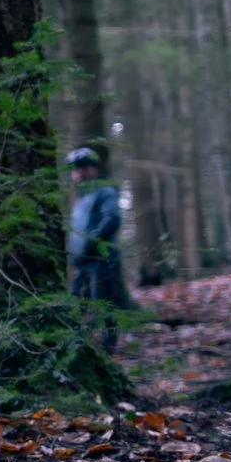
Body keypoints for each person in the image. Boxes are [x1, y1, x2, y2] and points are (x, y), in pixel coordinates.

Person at [67, 144, 135, 350]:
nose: (80, 171)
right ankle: (78, 343)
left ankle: (108, 347)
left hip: (102, 260)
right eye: (76, 167)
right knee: (74, 302)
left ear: (94, 169)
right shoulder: (80, 199)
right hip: (83, 262)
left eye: (84, 166)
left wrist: (92, 242)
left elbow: (112, 219)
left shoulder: (104, 192)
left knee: (104, 304)